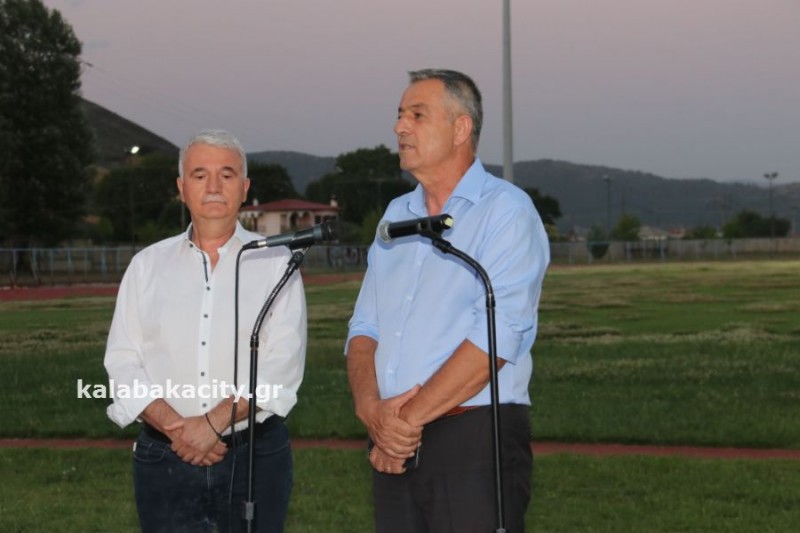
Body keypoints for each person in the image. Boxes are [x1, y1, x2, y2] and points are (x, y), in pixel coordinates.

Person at [346, 69, 550, 532]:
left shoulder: (506, 212)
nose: (400, 127)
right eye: (400, 115)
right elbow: (364, 328)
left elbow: (498, 335)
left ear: (461, 128)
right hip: (392, 438)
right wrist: (372, 412)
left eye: (417, 115)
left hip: (472, 437)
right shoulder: (397, 215)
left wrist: (402, 424)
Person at [104, 129, 307, 532]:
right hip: (164, 458)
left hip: (254, 459)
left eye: (226, 175)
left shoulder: (276, 261)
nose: (213, 186)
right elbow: (123, 362)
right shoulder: (146, 266)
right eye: (200, 175)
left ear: (244, 187)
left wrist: (212, 424)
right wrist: (178, 430)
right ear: (182, 188)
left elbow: (281, 365)